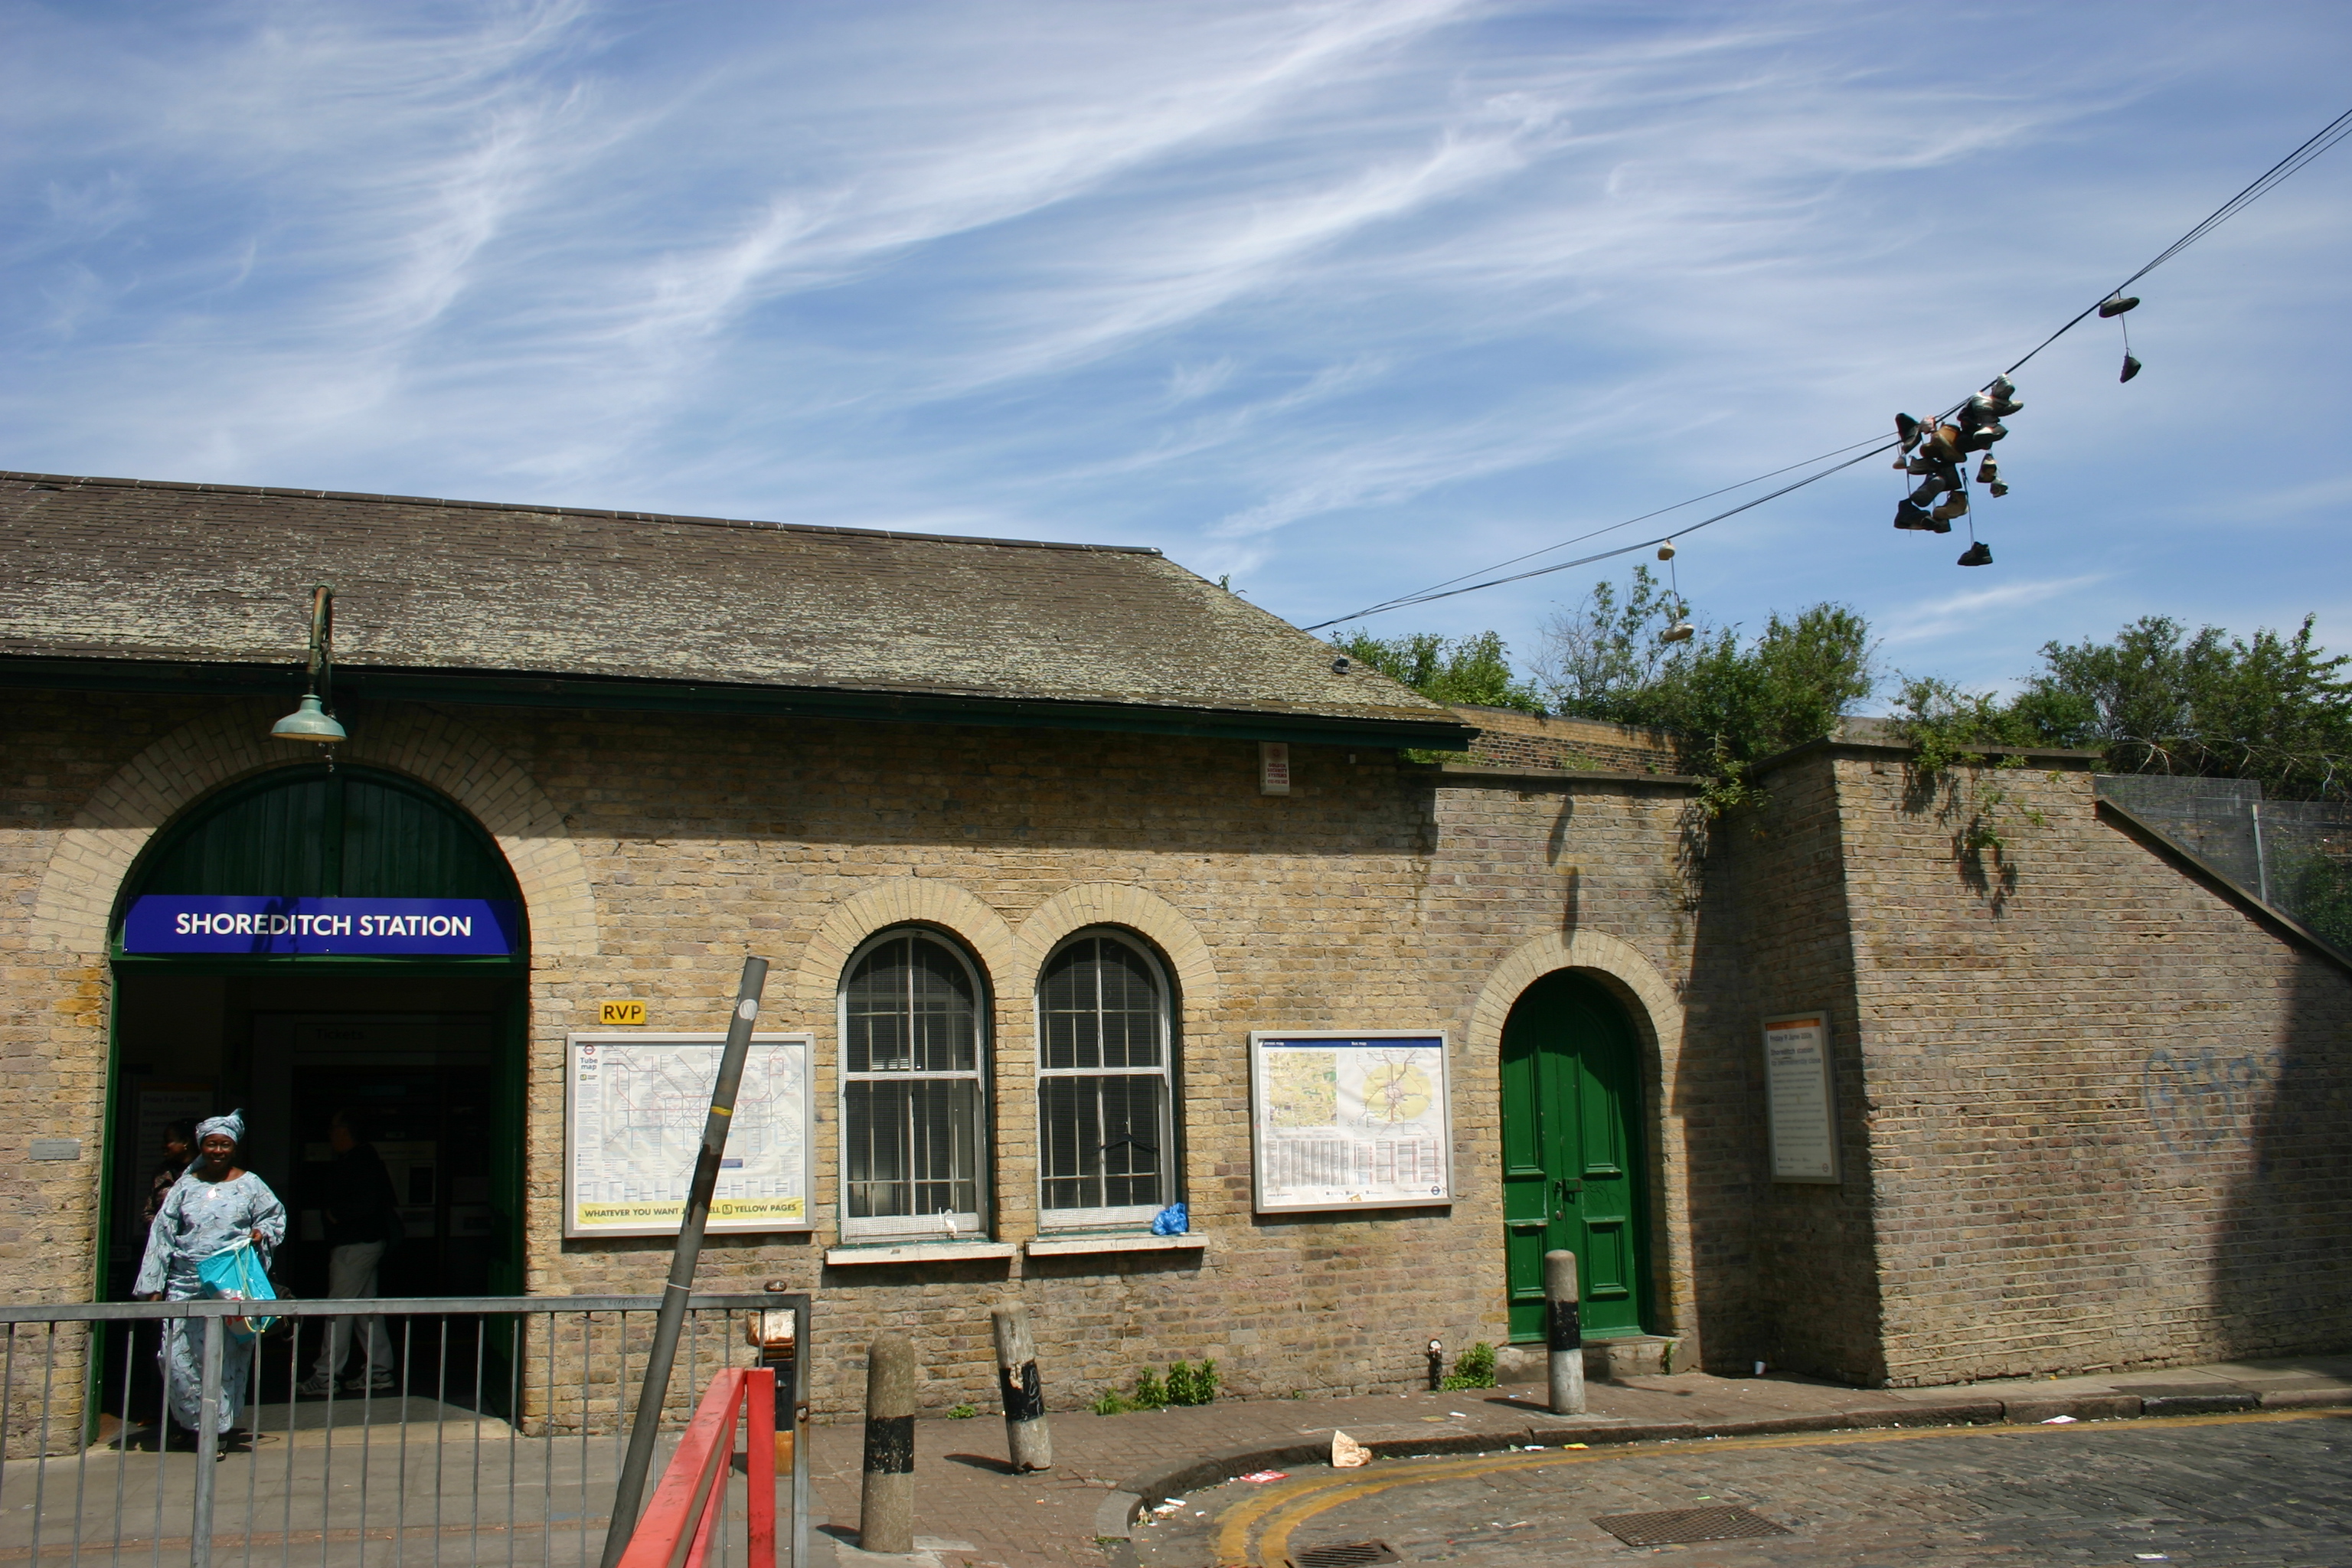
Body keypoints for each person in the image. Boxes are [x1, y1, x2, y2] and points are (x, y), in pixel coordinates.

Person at [133, 1110, 286, 1446]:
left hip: (231, 1287)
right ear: (202, 1147)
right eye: (212, 1144)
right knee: (174, 1358)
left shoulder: (251, 1185)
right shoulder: (185, 1186)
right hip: (184, 1287)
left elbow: (274, 1217)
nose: (218, 1151)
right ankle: (194, 1424)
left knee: (226, 1360)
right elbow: (162, 1234)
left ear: (234, 1148)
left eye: (225, 1145)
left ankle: (214, 1432)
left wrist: (262, 1232)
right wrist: (154, 1285)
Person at [296, 1108, 400, 1397]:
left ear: (345, 1132)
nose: (330, 1135)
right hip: (368, 1243)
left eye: (333, 1129)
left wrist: (335, 1215)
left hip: (353, 1246)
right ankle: (379, 1371)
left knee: (337, 1309)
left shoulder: (357, 1162)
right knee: (366, 1310)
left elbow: (365, 1203)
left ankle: (327, 1375)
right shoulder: (368, 1159)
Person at [141, 1119, 198, 1235]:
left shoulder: (204, 1172)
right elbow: (148, 1211)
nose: (164, 1146)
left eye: (168, 1141)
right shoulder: (162, 1173)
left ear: (185, 1142)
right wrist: (162, 1230)